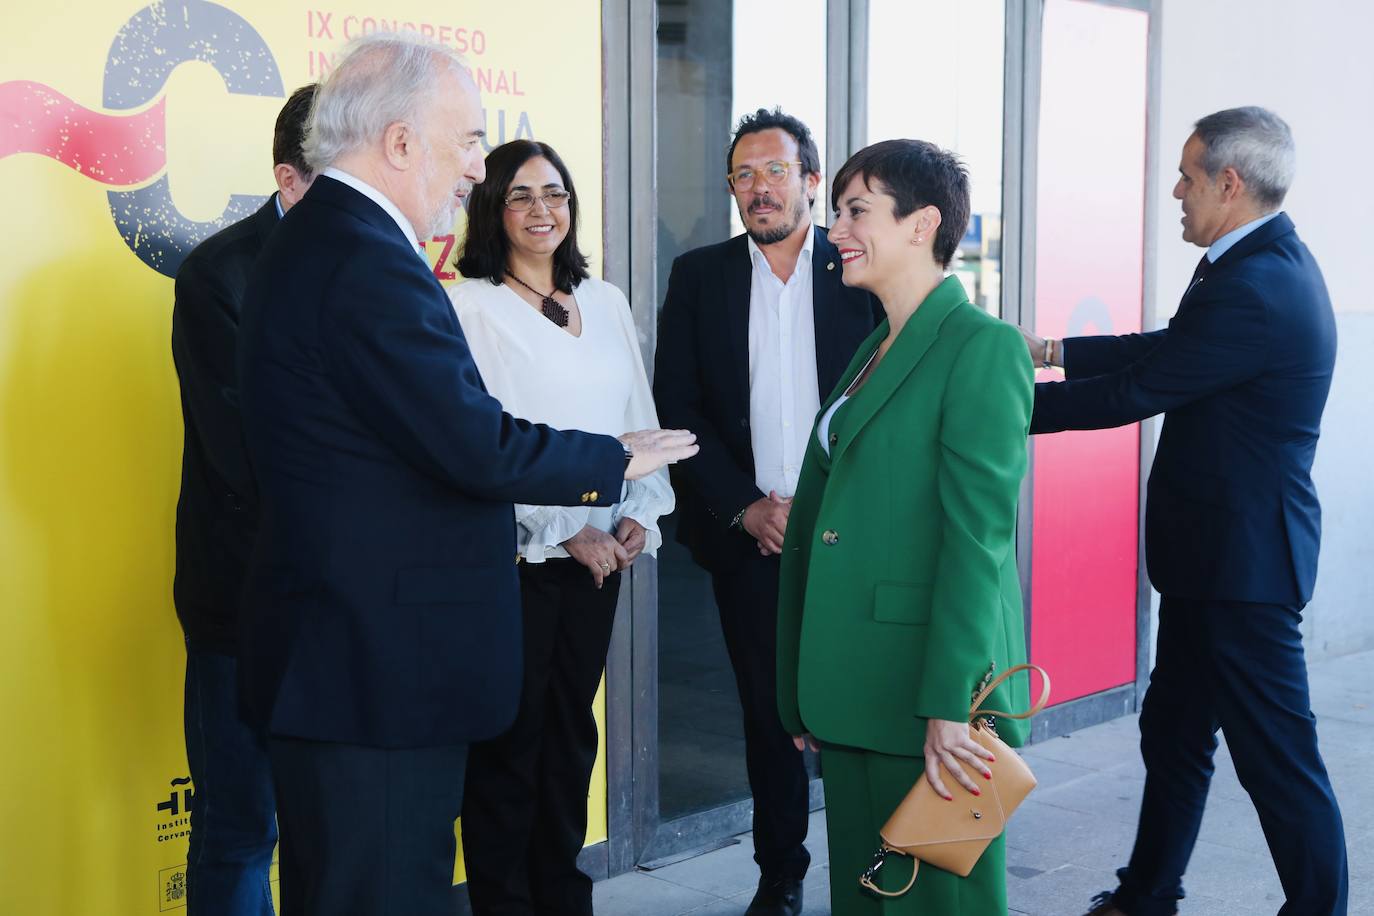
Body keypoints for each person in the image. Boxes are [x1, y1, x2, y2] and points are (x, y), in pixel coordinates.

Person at [234, 34, 696, 916]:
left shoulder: (332, 242)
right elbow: (471, 442)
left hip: (355, 663)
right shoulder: (364, 259)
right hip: (369, 674)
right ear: (401, 142)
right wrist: (613, 458)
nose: (474, 170)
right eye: (468, 142)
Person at [1021, 108, 1346, 916]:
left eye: (1187, 176)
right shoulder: (1249, 262)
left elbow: (1138, 391)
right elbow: (1165, 349)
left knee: (1280, 764)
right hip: (1210, 563)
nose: (1176, 191)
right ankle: (1148, 895)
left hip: (1244, 571)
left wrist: (998, 404)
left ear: (1228, 184)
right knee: (1174, 737)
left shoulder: (1261, 286)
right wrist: (1049, 351)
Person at [775, 139, 1034, 915]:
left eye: (857, 211)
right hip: (853, 682)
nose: (838, 231)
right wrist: (797, 686)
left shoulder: (982, 348)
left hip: (927, 696)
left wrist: (950, 704)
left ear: (922, 225)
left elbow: (977, 543)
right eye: (837, 212)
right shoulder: (872, 348)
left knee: (936, 904)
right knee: (864, 896)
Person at [653, 107, 882, 916]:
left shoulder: (859, 271)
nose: (759, 188)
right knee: (768, 714)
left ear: (812, 183)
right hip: (753, 539)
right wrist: (745, 507)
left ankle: (877, 866)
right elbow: (680, 407)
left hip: (853, 539)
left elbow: (888, 406)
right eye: (743, 175)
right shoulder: (701, 277)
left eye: (776, 171)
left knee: (863, 709)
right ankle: (779, 875)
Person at [448, 138, 674, 915]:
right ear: (491, 209)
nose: (541, 210)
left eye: (555, 193)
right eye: (519, 195)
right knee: (509, 750)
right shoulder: (467, 306)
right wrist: (562, 526)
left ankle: (562, 898)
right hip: (515, 564)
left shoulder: (604, 301)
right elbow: (477, 444)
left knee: (572, 742)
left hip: (600, 562)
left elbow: (637, 420)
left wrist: (639, 515)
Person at [170, 82, 315, 916]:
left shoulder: (385, 263)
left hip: (340, 606)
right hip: (244, 599)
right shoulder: (219, 273)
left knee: (328, 825)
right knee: (238, 827)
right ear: (289, 180)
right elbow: (247, 455)